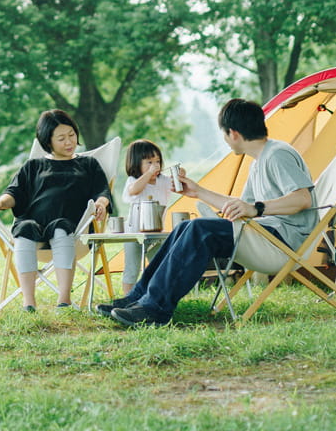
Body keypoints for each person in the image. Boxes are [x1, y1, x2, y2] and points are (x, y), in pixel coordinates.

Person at [96, 97, 315, 327]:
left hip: (283, 242)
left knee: (198, 228)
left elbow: (303, 199)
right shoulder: (259, 162)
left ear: (233, 133)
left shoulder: (277, 154)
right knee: (185, 227)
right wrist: (198, 191)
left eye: (224, 134)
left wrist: (257, 208)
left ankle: (155, 309)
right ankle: (137, 298)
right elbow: (240, 207)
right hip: (264, 235)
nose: (226, 140)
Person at [0, 109, 112, 311]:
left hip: (73, 232)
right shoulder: (33, 166)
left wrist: (101, 204)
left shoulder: (88, 164)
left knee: (60, 227)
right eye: (61, 138)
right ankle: (29, 302)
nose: (69, 142)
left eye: (71, 135)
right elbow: (14, 193)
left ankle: (64, 300)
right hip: (34, 229)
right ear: (47, 142)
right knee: (23, 229)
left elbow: (102, 192)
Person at [120, 138, 175, 294]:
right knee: (132, 268)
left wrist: (180, 175)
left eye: (157, 162)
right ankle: (128, 298)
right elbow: (133, 190)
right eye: (149, 163)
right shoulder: (134, 181)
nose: (155, 167)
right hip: (134, 233)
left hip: (155, 233)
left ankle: (157, 296)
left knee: (159, 265)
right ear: (136, 163)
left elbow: (175, 185)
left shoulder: (162, 181)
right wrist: (148, 175)